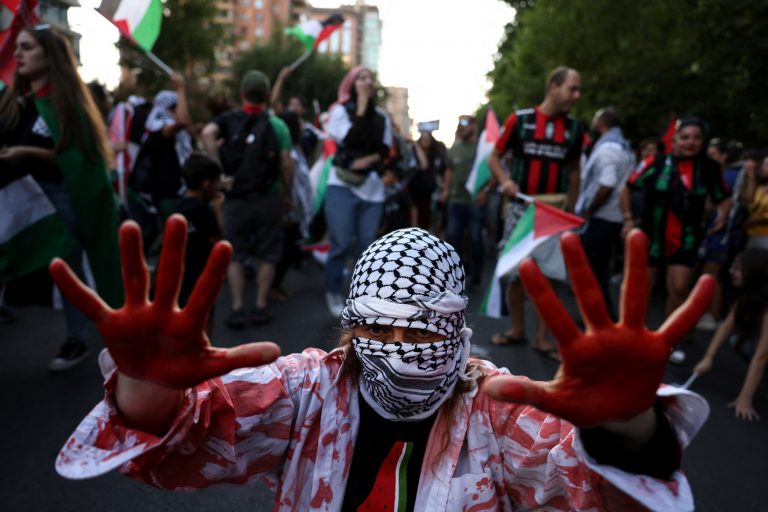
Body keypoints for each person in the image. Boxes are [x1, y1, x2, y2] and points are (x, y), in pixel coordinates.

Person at [51, 217, 714, 510]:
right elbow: (198, 437)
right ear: (350, 327)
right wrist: (147, 386)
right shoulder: (308, 390)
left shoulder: (499, 410)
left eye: (415, 329)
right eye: (373, 327)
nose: (394, 346)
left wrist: (625, 427)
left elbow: (581, 486)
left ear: (454, 327)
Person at [0, 25, 121, 371]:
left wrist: (28, 153)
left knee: (67, 271)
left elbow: (76, 155)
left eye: (27, 47)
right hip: (16, 198)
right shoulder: (14, 102)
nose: (18, 54)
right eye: (17, 47)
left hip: (58, 197)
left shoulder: (67, 103)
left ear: (49, 54)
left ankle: (76, 338)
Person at [488, 66, 584, 356]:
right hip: (521, 209)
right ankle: (517, 329)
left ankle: (543, 337)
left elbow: (575, 171)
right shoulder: (520, 121)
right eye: (572, 89)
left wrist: (572, 210)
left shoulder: (575, 128)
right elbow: (494, 158)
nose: (577, 96)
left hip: (554, 213)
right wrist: (505, 181)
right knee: (516, 273)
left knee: (551, 275)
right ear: (553, 86)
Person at [620, 117, 730, 364]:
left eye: (696, 138)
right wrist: (627, 219)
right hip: (651, 235)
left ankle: (667, 341)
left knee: (680, 288)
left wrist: (722, 215)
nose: (691, 142)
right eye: (685, 137)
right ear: (675, 140)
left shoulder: (710, 168)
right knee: (642, 288)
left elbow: (723, 196)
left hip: (687, 238)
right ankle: (633, 337)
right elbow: (626, 189)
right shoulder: (656, 162)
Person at [201, 70, 294, 328]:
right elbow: (287, 165)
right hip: (268, 198)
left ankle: (237, 307)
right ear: (266, 95)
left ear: (242, 93)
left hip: (236, 198)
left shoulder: (229, 119)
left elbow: (207, 134)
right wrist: (287, 195)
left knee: (235, 254)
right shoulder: (277, 125)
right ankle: (260, 305)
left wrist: (219, 173)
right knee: (268, 253)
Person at [323, 65, 392, 317]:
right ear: (352, 84)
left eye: (370, 79)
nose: (367, 82)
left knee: (367, 247)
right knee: (341, 243)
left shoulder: (382, 117)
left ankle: (360, 297)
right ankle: (333, 291)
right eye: (362, 78)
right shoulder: (340, 112)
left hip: (372, 190)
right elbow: (351, 140)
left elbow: (384, 150)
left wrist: (369, 159)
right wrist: (361, 107)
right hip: (342, 185)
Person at [694, 248, 768, 421]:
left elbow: (762, 356)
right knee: (737, 340)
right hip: (756, 346)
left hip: (762, 351)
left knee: (751, 348)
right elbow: (727, 325)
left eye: (737, 269)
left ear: (753, 273)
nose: (731, 271)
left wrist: (745, 398)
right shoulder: (750, 292)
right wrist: (708, 357)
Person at [575, 107, 634, 313]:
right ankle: (602, 314)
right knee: (599, 269)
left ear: (600, 124)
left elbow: (607, 184)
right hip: (610, 216)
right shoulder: (620, 146)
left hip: (603, 217)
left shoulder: (608, 148)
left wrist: (590, 210)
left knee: (593, 270)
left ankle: (599, 315)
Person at [130, 74, 192, 221]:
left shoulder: (170, 131)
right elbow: (182, 121)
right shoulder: (159, 128)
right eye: (175, 107)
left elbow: (186, 122)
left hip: (174, 190)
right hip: (166, 193)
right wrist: (180, 89)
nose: (178, 111)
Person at [175, 154, 223, 336]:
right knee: (204, 322)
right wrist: (218, 211)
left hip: (181, 279)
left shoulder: (179, 208)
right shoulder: (204, 211)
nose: (218, 187)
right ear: (206, 184)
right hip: (202, 277)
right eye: (216, 182)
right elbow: (220, 244)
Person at [441, 115, 490, 289]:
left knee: (475, 239)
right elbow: (449, 170)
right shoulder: (455, 148)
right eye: (459, 123)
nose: (461, 127)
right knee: (453, 237)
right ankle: (456, 275)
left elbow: (492, 169)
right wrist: (446, 190)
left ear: (474, 125)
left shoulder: (482, 148)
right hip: (456, 200)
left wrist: (485, 191)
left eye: (465, 123)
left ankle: (476, 277)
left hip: (474, 201)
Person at [409, 128, 447, 230]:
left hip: (429, 193)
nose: (425, 141)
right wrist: (416, 145)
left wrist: (442, 187)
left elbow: (436, 173)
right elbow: (423, 165)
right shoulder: (414, 153)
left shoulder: (435, 155)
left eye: (427, 138)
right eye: (423, 138)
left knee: (427, 221)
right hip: (415, 192)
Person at [743, 154, 768, 249]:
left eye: (767, 165)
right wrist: (751, 175)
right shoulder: (760, 187)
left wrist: (751, 221)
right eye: (763, 164)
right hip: (753, 235)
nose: (763, 167)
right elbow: (749, 199)